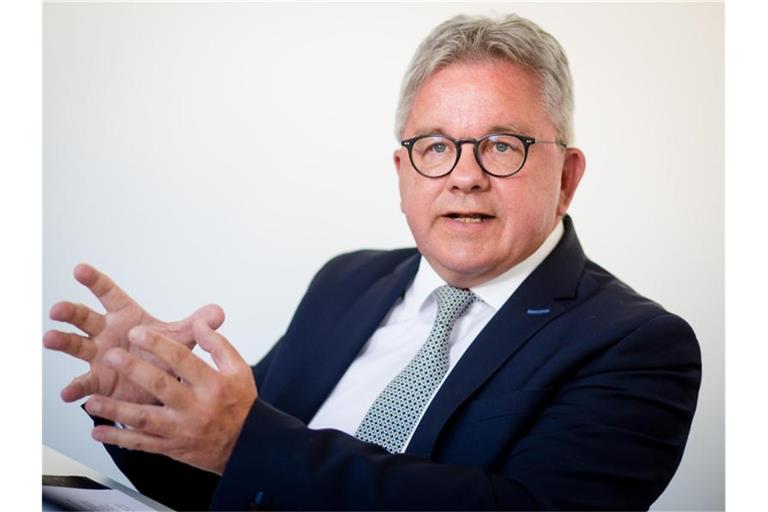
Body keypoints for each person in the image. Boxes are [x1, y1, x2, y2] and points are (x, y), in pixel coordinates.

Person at [43, 13, 702, 511]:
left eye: (502, 146)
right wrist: (146, 403)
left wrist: (245, 442)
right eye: (436, 146)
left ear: (567, 177)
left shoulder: (638, 346)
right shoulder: (347, 281)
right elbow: (233, 482)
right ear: (401, 172)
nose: (464, 176)